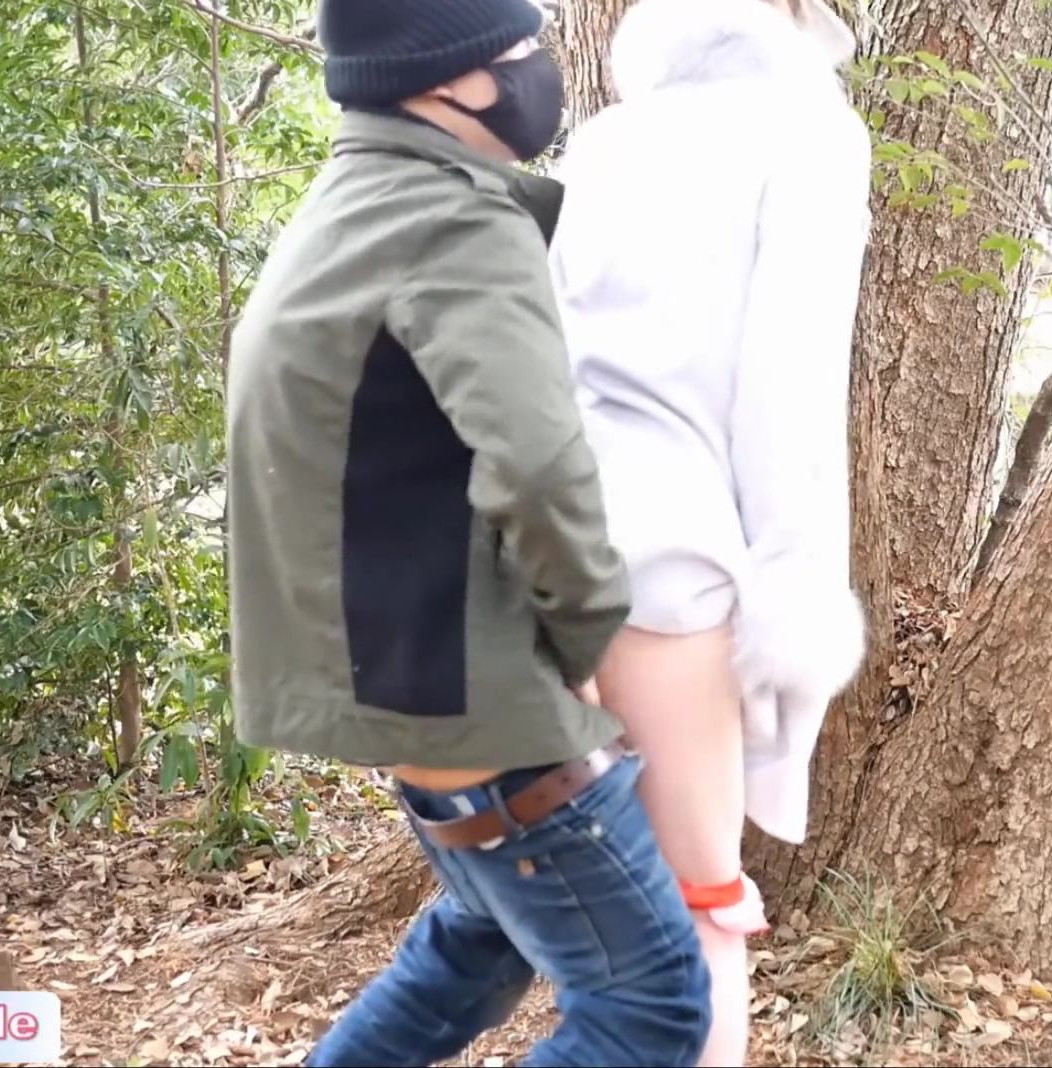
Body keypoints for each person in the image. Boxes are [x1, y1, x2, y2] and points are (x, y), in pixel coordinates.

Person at [224, 0, 712, 1064]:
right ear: (448, 79)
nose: (542, 67)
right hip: (476, 698)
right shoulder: (452, 222)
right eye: (520, 49)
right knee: (650, 1010)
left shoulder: (358, 200)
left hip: (405, 686)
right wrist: (588, 636)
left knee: (472, 954)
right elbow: (537, 462)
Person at [548, 0, 872, 1063]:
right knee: (699, 920)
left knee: (597, 932)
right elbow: (788, 398)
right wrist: (793, 606)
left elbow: (543, 363)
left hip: (554, 555)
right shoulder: (808, 129)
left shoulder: (606, 139)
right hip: (679, 571)